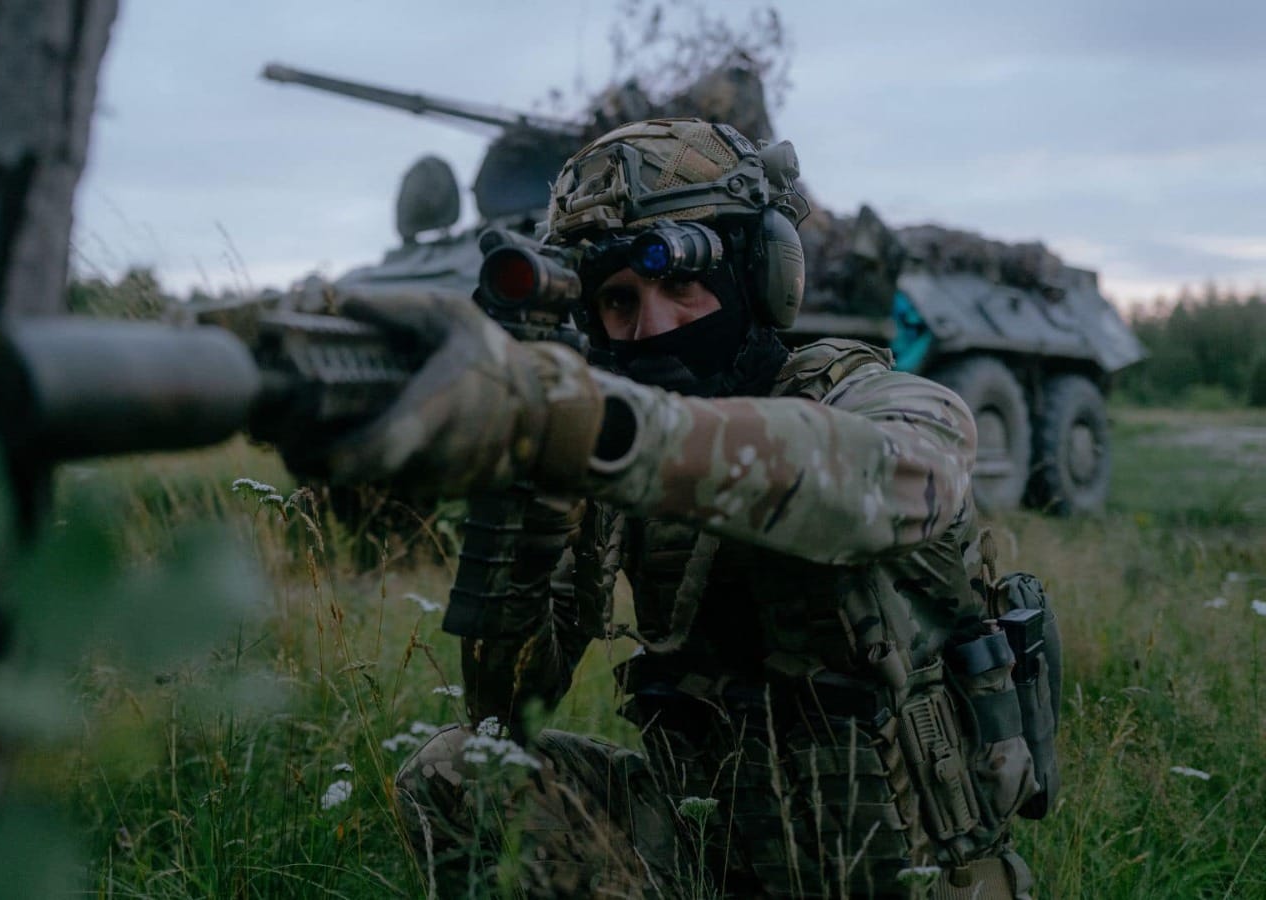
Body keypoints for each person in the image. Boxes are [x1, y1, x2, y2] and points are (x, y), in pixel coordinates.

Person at [298, 118, 1040, 898]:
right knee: (460, 769)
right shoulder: (613, 444)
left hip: (908, 878)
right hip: (716, 862)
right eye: (616, 301)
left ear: (758, 276)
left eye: (681, 282)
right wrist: (528, 493)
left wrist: (604, 430)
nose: (649, 326)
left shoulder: (880, 403)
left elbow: (874, 483)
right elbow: (505, 711)